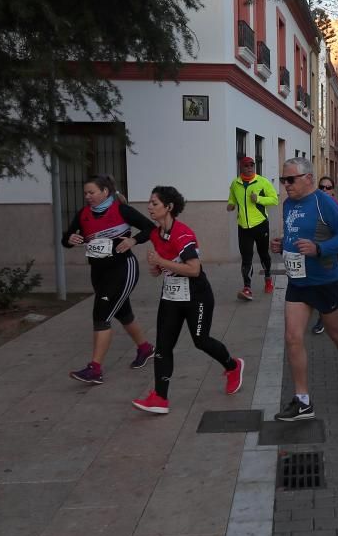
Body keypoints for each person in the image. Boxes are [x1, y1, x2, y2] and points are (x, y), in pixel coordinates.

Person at [132, 186, 244, 414]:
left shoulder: (182, 234)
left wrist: (162, 263)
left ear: (169, 207)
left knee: (200, 340)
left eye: (154, 203)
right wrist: (156, 267)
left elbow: (194, 269)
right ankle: (160, 398)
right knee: (163, 346)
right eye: (150, 203)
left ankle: (233, 366)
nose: (149, 207)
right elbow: (162, 266)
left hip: (197, 294)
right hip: (172, 295)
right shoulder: (156, 234)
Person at [270, 158, 338, 418]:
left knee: (336, 333)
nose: (286, 185)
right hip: (298, 282)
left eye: (291, 179)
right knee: (292, 337)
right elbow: (295, 235)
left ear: (308, 178)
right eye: (283, 180)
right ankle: (302, 401)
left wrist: (319, 248)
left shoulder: (325, 203)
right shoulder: (288, 205)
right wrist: (282, 244)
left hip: (325, 281)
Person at [63, 174, 156, 384]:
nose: (87, 196)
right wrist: (69, 238)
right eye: (85, 193)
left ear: (105, 192)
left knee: (101, 314)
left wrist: (133, 240)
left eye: (91, 192)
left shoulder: (121, 209)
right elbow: (66, 238)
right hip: (98, 272)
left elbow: (151, 228)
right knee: (123, 314)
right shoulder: (84, 214)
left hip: (123, 269)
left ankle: (95, 369)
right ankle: (145, 348)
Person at [227, 156, 279, 301]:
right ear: (240, 167)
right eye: (246, 166)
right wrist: (230, 205)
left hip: (261, 225)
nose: (249, 168)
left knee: (263, 254)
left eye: (252, 165)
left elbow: (275, 199)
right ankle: (247, 288)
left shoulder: (262, 182)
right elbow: (232, 199)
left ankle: (268, 279)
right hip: (243, 226)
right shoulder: (235, 184)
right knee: (246, 257)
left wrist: (260, 199)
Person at [311, 176, 338, 335]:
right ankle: (322, 319)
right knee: (322, 287)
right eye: (322, 187)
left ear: (333, 191)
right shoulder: (313, 207)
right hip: (321, 254)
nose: (325, 190)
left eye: (328, 187)